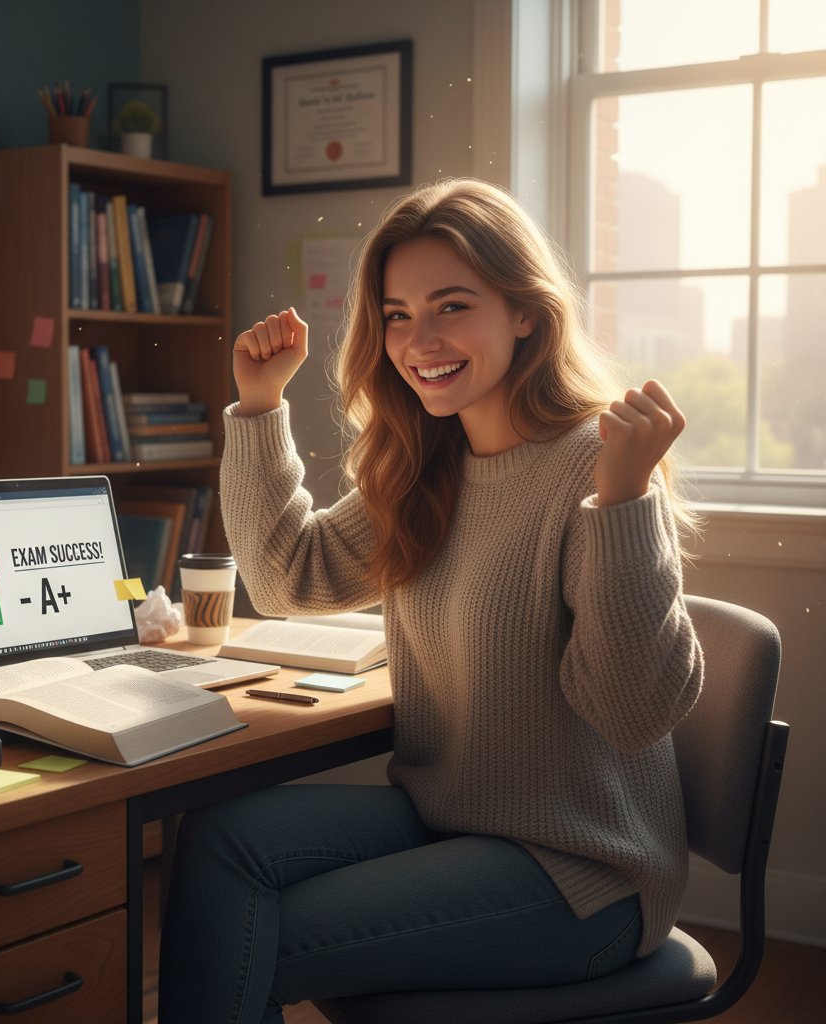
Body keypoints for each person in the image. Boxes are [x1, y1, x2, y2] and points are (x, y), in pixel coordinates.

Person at [157, 178, 703, 1024]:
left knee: (244, 936)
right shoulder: (429, 465)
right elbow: (287, 577)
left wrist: (626, 501)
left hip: (584, 874)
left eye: (452, 306)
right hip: (452, 819)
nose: (420, 341)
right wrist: (261, 403)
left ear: (526, 314)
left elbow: (636, 713)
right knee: (220, 839)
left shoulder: (599, 465)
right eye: (399, 314)